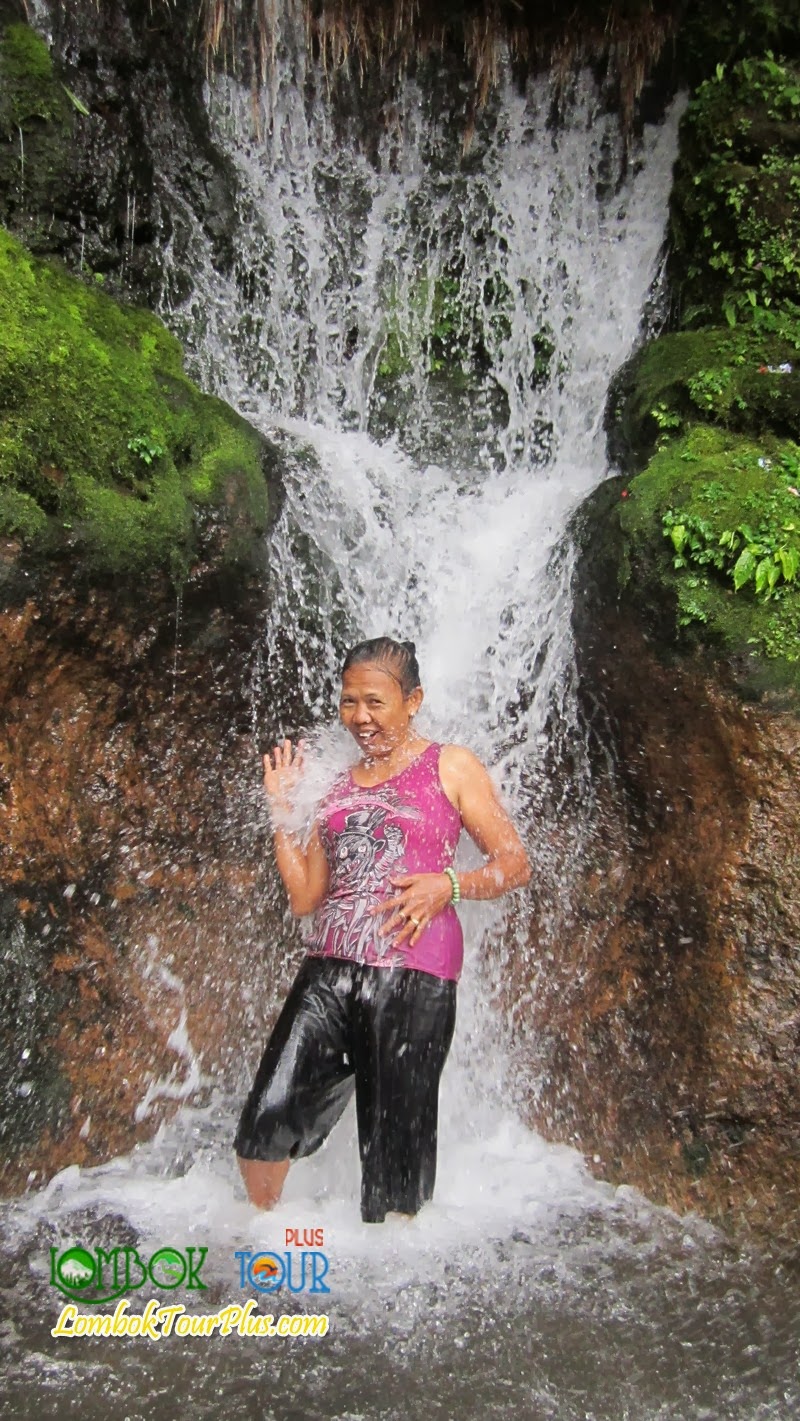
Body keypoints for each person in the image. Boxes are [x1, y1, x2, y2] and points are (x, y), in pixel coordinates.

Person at [234, 636, 531, 1223]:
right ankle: (268, 1247)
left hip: (414, 978)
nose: (360, 717)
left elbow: (514, 863)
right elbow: (305, 896)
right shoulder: (336, 784)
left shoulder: (451, 764)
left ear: (412, 699)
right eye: (349, 702)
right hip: (329, 971)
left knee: (393, 1166)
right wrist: (283, 813)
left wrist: (448, 885)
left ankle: (393, 1272)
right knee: (263, 1126)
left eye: (374, 701)